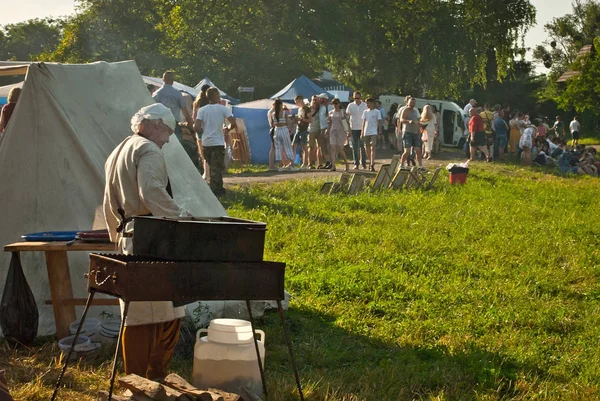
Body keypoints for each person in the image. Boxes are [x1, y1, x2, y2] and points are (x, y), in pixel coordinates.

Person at [103, 103, 190, 380]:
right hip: (148, 241)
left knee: (157, 314)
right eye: (168, 133)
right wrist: (181, 217)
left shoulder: (119, 150)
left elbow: (108, 204)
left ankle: (146, 382)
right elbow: (151, 191)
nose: (167, 141)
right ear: (155, 125)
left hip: (131, 238)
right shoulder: (147, 149)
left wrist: (116, 236)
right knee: (150, 319)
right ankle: (145, 383)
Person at [194, 87, 236, 196]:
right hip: (218, 142)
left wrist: (204, 130)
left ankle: (216, 188)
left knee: (211, 165)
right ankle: (215, 190)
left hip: (206, 142)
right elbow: (233, 123)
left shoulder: (202, 110)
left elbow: (196, 126)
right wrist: (227, 129)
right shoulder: (223, 109)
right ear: (217, 96)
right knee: (216, 167)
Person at [152, 71, 194, 140]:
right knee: (176, 147)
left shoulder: (156, 94)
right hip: (174, 125)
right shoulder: (177, 93)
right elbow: (185, 112)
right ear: (172, 81)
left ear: (162, 79)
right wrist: (191, 127)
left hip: (160, 125)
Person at [268, 98, 296, 171]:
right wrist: (293, 120)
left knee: (278, 148)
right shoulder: (284, 113)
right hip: (284, 129)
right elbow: (288, 122)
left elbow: (272, 124)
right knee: (288, 146)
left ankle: (280, 166)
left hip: (277, 130)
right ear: (280, 105)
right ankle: (292, 165)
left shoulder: (273, 114)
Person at [325, 98, 350, 171]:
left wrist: (348, 131)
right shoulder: (331, 112)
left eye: (336, 103)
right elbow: (329, 123)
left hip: (341, 131)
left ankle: (346, 163)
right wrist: (327, 130)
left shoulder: (342, 112)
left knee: (340, 148)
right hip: (333, 130)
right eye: (333, 104)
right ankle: (333, 165)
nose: (335, 105)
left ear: (339, 104)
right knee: (332, 147)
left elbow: (346, 122)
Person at [345, 91, 368, 169]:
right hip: (353, 128)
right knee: (355, 147)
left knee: (362, 146)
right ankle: (356, 163)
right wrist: (347, 129)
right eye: (354, 98)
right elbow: (346, 117)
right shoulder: (350, 105)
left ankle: (364, 162)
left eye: (357, 98)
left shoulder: (365, 105)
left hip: (362, 128)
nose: (356, 100)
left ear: (361, 97)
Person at [399, 97, 423, 168]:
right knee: (407, 151)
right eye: (411, 103)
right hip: (407, 132)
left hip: (415, 132)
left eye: (414, 103)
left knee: (418, 150)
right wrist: (409, 121)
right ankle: (401, 164)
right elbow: (401, 119)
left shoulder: (415, 111)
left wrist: (420, 126)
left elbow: (418, 121)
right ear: (408, 103)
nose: (413, 104)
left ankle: (420, 166)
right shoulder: (405, 110)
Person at [361, 98, 382, 171]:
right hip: (366, 132)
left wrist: (380, 131)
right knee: (367, 148)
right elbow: (364, 122)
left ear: (372, 103)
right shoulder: (365, 112)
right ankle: (371, 161)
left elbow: (379, 122)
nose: (367, 105)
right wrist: (362, 132)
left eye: (368, 103)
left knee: (372, 147)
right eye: (366, 103)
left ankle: (372, 163)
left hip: (374, 132)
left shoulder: (377, 112)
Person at [293, 95, 311, 170]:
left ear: (300, 101)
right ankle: (292, 163)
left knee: (304, 147)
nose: (296, 104)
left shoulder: (307, 109)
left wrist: (302, 120)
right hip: (298, 129)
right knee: (293, 145)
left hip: (304, 129)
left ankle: (305, 164)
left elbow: (310, 120)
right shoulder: (299, 109)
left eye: (297, 102)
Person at [317, 93, 331, 169]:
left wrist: (328, 129)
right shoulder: (321, 107)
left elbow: (330, 119)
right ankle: (327, 162)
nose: (319, 100)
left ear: (324, 99)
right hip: (322, 128)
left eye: (320, 98)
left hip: (327, 128)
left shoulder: (329, 106)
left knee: (328, 146)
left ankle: (331, 162)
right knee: (323, 147)